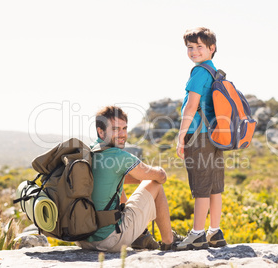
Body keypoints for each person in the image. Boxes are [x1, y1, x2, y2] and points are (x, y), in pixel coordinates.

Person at [76, 106, 182, 252]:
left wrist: (139, 179)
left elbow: (109, 179)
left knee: (118, 181)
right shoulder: (119, 156)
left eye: (124, 128)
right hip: (109, 240)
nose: (122, 134)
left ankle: (141, 236)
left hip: (84, 240)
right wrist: (159, 172)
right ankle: (169, 242)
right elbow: (159, 177)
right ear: (101, 131)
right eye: (115, 129)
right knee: (155, 184)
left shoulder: (90, 152)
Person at [176, 27, 227, 250]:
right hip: (216, 137)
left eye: (199, 47)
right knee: (215, 186)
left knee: (201, 187)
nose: (194, 51)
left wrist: (181, 136)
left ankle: (197, 235)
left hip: (198, 136)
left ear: (211, 48)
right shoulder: (215, 71)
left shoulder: (198, 72)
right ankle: (214, 232)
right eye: (190, 47)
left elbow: (191, 105)